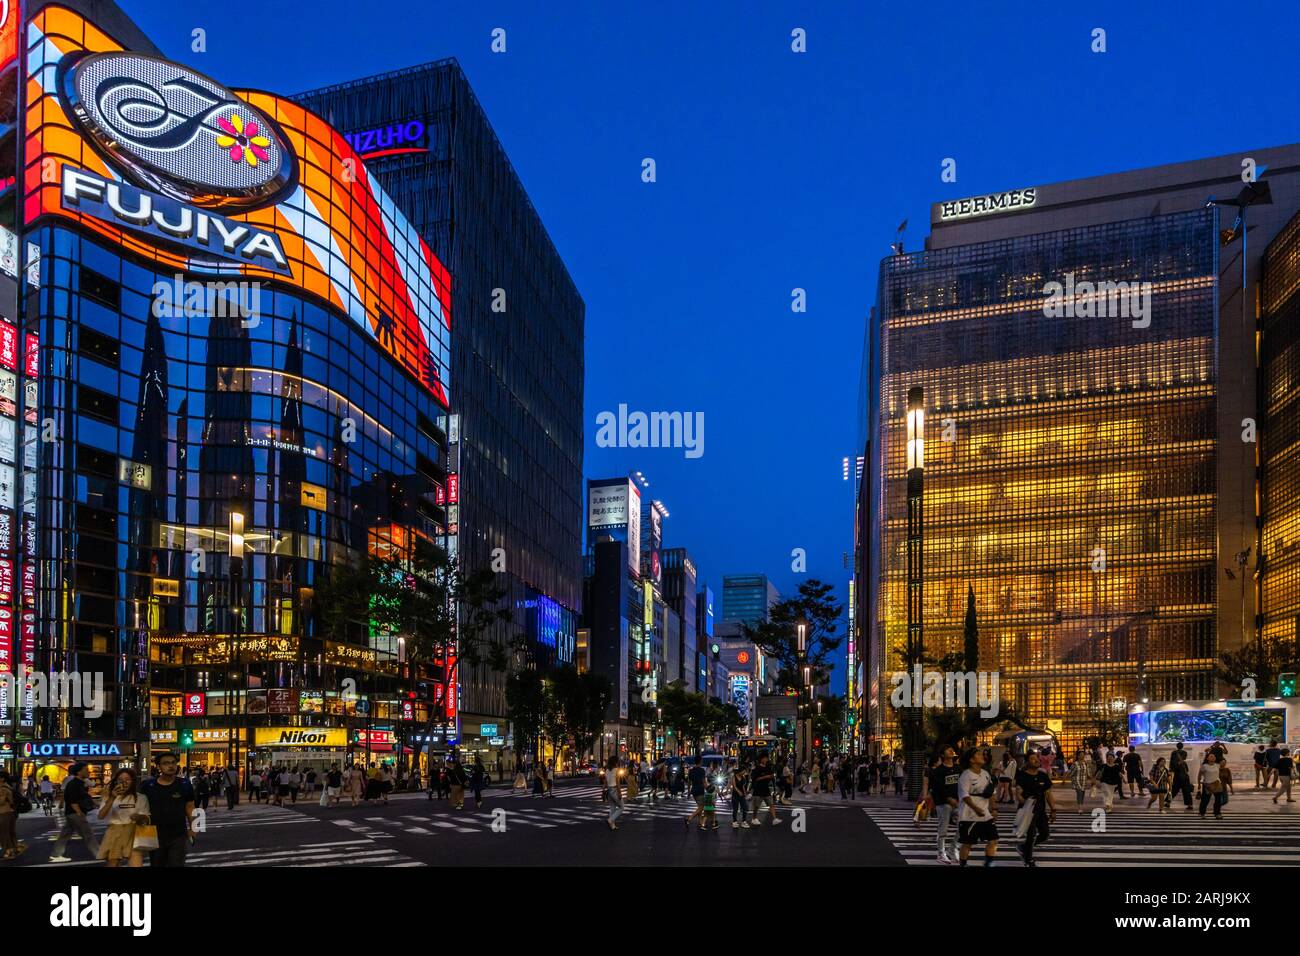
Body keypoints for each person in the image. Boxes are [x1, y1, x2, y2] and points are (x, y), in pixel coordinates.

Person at [139, 752, 196, 866]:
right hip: (154, 834)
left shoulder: (184, 784)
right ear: (158, 767)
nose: (171, 766)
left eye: (173, 763)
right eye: (166, 763)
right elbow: (141, 809)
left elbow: (190, 807)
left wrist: (194, 829)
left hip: (178, 834)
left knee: (176, 863)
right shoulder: (148, 785)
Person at [50, 762, 101, 863]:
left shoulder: (80, 783)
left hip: (71, 813)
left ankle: (56, 854)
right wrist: (79, 813)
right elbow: (73, 800)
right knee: (88, 834)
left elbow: (83, 798)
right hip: (75, 814)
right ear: (79, 771)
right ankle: (99, 854)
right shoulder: (74, 784)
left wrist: (95, 804)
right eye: (85, 769)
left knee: (65, 834)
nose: (88, 771)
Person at [1012, 750, 1055, 867]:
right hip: (1027, 811)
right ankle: (1028, 860)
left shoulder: (1043, 775)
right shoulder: (1022, 776)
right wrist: (1025, 801)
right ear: (1027, 762)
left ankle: (1024, 847)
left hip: (1041, 810)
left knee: (1045, 834)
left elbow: (1048, 793)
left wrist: (1053, 809)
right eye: (1032, 758)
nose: (1036, 760)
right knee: (1031, 835)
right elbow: (1018, 794)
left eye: (1037, 758)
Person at [96, 768, 145, 867]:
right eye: (120, 780)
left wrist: (139, 817)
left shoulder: (141, 797)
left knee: (136, 863)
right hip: (114, 831)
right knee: (113, 864)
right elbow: (100, 816)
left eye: (127, 779)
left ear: (133, 781)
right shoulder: (109, 796)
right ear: (116, 781)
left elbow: (146, 818)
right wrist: (112, 798)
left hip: (135, 832)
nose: (124, 782)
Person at [957, 748, 998, 866]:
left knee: (994, 840)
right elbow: (964, 795)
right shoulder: (966, 775)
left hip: (985, 814)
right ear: (971, 760)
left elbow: (991, 792)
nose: (982, 756)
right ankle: (963, 864)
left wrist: (994, 809)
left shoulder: (985, 774)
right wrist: (976, 808)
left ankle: (988, 863)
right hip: (969, 815)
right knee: (967, 843)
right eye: (979, 754)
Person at [929, 747, 961, 864]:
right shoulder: (938, 771)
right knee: (943, 829)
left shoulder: (958, 769)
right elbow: (938, 788)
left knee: (964, 825)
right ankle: (941, 853)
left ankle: (953, 848)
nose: (951, 751)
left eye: (952, 749)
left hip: (957, 803)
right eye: (948, 750)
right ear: (942, 755)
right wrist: (948, 798)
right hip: (943, 804)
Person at [749, 753, 780, 825]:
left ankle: (775, 819)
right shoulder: (757, 768)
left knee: (771, 804)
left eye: (767, 758)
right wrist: (766, 777)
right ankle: (754, 818)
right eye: (765, 758)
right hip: (758, 789)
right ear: (761, 759)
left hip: (766, 789)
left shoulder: (768, 767)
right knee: (756, 806)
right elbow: (755, 779)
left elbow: (771, 776)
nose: (766, 759)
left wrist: (772, 777)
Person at [0, 771, 21, 860]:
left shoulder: (2, 788)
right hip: (10, 812)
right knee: (9, 832)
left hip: (4, 812)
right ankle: (13, 848)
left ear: (2, 778)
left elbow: (1, 801)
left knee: (3, 833)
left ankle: (7, 851)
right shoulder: (9, 786)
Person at [684, 756, 709, 829]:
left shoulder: (691, 770)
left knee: (699, 807)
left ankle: (700, 823)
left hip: (693, 790)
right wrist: (708, 789)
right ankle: (689, 819)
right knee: (701, 807)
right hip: (700, 790)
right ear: (700, 761)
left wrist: (689, 792)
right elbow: (704, 782)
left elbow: (689, 782)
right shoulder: (702, 771)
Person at [1169, 744, 1194, 811]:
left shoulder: (1174, 753)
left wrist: (1170, 769)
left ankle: (1167, 802)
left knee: (1174, 790)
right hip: (1185, 777)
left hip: (1178, 776)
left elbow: (1171, 764)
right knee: (1186, 791)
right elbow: (1187, 771)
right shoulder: (1184, 761)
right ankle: (1189, 804)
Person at [605, 756, 624, 830]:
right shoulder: (617, 770)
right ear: (615, 762)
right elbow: (618, 782)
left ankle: (612, 826)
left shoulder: (607, 770)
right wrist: (619, 792)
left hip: (609, 789)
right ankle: (610, 820)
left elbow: (605, 782)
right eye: (617, 761)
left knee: (612, 808)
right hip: (615, 789)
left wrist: (603, 790)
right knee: (622, 807)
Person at [729, 763, 750, 829]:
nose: (744, 773)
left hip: (742, 796)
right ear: (741, 770)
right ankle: (734, 821)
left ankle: (744, 821)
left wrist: (745, 793)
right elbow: (734, 786)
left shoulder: (743, 777)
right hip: (735, 795)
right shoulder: (734, 776)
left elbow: (743, 786)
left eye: (745, 772)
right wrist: (738, 791)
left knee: (744, 807)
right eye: (744, 771)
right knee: (735, 809)